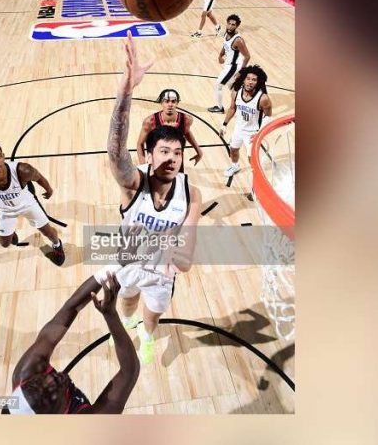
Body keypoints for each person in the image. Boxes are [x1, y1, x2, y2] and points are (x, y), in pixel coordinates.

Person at [105, 32, 203, 364]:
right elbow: (116, 154)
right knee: (128, 302)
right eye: (164, 150)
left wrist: (180, 253)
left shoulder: (192, 193)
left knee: (153, 315)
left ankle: (146, 336)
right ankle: (129, 322)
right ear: (149, 154)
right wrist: (125, 91)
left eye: (177, 152)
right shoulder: (134, 183)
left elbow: (186, 259)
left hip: (163, 273)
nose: (172, 157)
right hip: (129, 261)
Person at [6, 276, 139, 414]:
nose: (51, 379)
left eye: (39, 382)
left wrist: (110, 269)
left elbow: (70, 308)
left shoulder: (25, 372)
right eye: (49, 394)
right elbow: (129, 372)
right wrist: (111, 315)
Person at [0, 142, 65, 266]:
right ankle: (10, 230)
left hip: (27, 204)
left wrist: (49, 190)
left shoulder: (23, 170)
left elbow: (39, 178)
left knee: (48, 232)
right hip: (4, 208)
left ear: (4, 156)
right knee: (5, 244)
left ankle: (57, 244)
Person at [218, 65, 273, 177]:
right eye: (248, 79)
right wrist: (224, 124)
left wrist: (260, 132)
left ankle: (256, 179)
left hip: (252, 133)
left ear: (258, 82)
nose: (250, 82)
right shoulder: (236, 93)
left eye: (254, 80)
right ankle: (235, 166)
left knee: (251, 158)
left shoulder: (263, 99)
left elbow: (268, 116)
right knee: (233, 150)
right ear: (243, 79)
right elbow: (232, 108)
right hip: (239, 129)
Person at [135, 88, 204, 167]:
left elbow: (187, 132)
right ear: (161, 103)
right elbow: (140, 144)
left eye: (173, 101)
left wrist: (199, 151)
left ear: (177, 103)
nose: (170, 104)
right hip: (156, 162)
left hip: (176, 161)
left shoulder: (186, 120)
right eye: (167, 101)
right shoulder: (150, 121)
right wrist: (143, 166)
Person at [208, 14, 251, 113]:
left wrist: (241, 72)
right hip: (228, 65)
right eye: (229, 24)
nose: (230, 26)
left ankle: (219, 108)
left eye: (233, 25)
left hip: (234, 67)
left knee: (218, 85)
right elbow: (225, 45)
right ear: (226, 23)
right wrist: (220, 56)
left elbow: (247, 56)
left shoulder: (238, 40)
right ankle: (243, 106)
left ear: (237, 26)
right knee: (232, 87)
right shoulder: (226, 34)